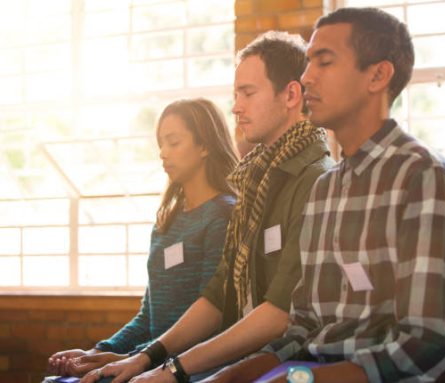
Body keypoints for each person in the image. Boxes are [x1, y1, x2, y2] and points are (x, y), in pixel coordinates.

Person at [207, 7, 445, 383]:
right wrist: (230, 376)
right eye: (308, 64)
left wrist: (297, 380)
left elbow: (423, 349)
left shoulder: (422, 177)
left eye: (324, 62)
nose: (306, 77)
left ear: (377, 75)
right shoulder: (325, 190)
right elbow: (302, 328)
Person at [79, 30, 333, 383]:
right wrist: (144, 358)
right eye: (235, 94)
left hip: (287, 366)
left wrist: (173, 369)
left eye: (248, 93)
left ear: (291, 94)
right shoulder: (254, 180)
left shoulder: (316, 181)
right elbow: (217, 296)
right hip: (240, 360)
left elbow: (277, 315)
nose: (236, 106)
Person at [46, 98, 238, 377]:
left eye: (173, 142)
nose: (162, 153)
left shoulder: (223, 215)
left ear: (205, 145)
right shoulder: (167, 220)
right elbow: (148, 315)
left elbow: (208, 319)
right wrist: (97, 352)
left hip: (188, 366)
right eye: (160, 143)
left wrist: (132, 358)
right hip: (146, 359)